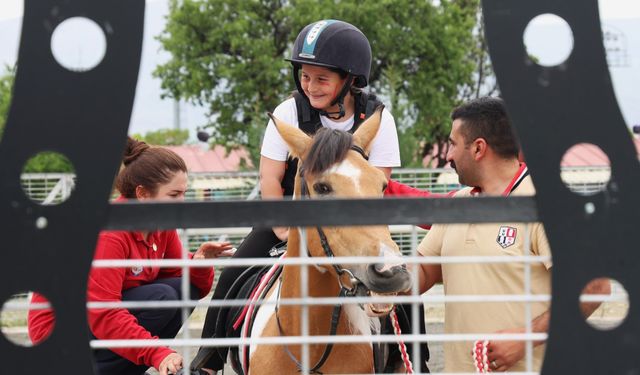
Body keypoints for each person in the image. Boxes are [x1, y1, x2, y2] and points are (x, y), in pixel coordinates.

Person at [191, 19, 433, 373]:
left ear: (350, 80)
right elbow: (271, 180)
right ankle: (208, 360)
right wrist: (283, 231)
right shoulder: (288, 112)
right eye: (305, 76)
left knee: (401, 281)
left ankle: (412, 362)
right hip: (289, 219)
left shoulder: (379, 118)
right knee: (233, 273)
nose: (310, 85)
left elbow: (376, 184)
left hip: (356, 224)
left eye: (322, 78)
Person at [415, 96, 610, 372]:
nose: (448, 155)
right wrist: (376, 271)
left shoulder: (545, 205)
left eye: (453, 144)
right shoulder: (457, 204)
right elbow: (421, 273)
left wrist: (525, 338)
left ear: (478, 148)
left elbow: (596, 287)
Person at [28, 137, 234, 375]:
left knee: (182, 289)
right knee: (163, 296)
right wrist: (157, 352)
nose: (182, 203)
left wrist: (200, 263)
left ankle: (126, 370)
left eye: (184, 194)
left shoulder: (161, 226)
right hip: (58, 332)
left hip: (93, 319)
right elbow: (103, 312)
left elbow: (188, 285)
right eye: (174, 195)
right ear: (143, 194)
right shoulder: (111, 234)